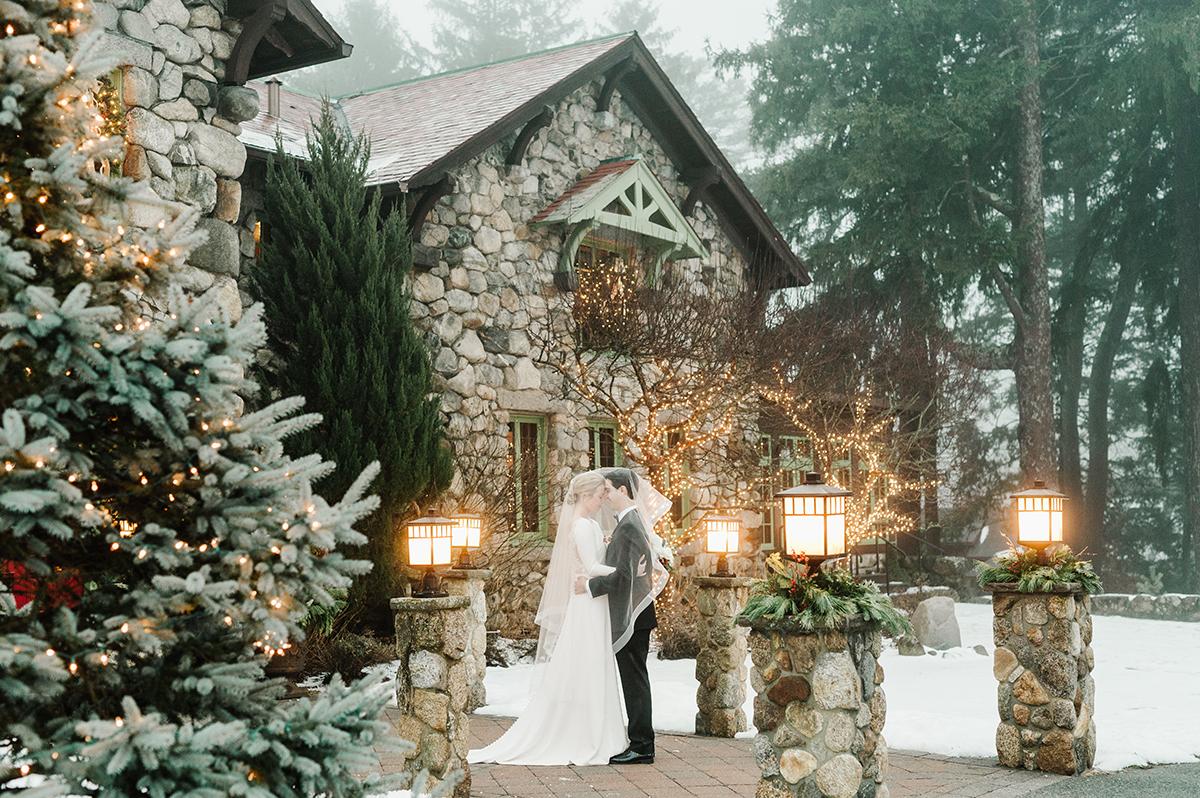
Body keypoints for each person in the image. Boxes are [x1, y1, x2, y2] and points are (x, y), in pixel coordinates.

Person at [467, 470, 627, 765]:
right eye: (599, 496)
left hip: (593, 601)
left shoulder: (589, 524)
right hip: (587, 604)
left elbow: (596, 557)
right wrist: (623, 573)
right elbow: (592, 567)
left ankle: (600, 730)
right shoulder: (580, 526)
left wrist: (608, 545)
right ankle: (588, 734)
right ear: (586, 496)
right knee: (588, 662)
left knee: (595, 662)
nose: (603, 500)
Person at [580, 467, 671, 765]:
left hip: (634, 615)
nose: (605, 496)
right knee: (636, 679)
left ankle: (642, 746)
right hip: (637, 613)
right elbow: (634, 569)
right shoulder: (630, 522)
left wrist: (589, 585)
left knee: (635, 681)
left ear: (623, 490)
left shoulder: (630, 524)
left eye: (608, 490)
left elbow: (622, 577)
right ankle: (641, 742)